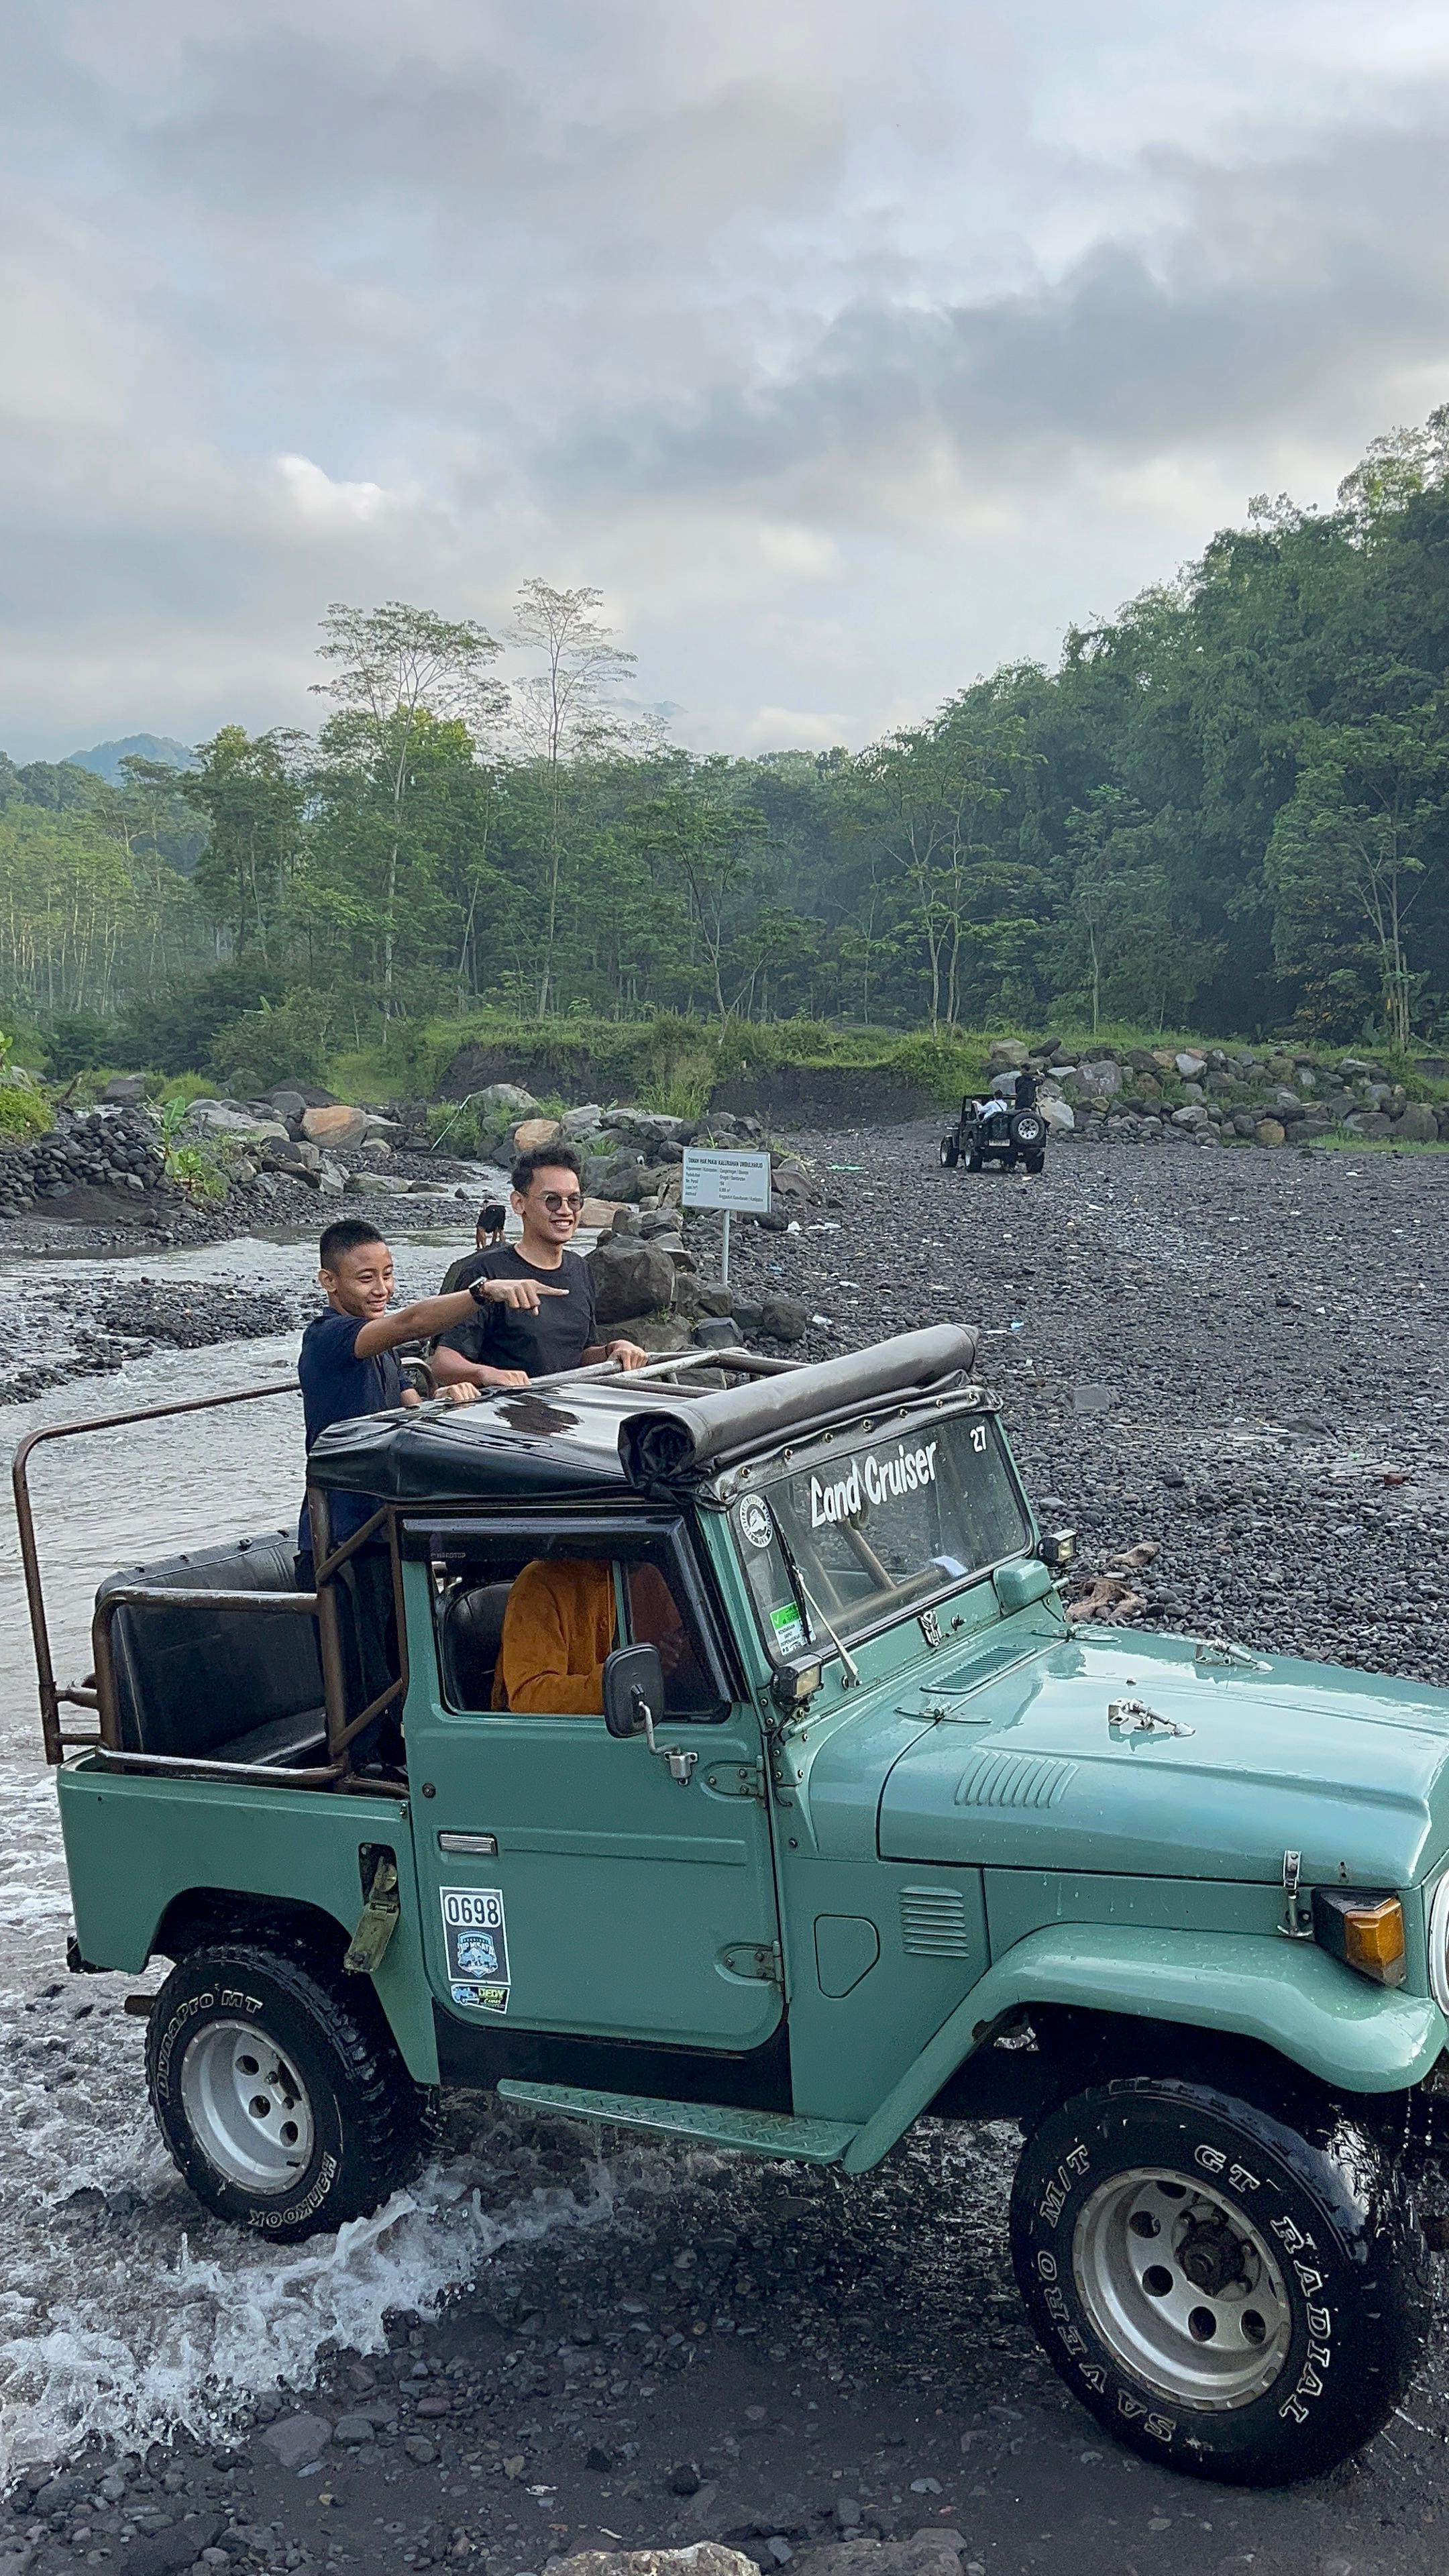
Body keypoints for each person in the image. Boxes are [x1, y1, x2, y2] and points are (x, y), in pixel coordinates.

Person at [431, 1144, 648, 1391]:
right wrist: (488, 1374)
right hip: (503, 1416)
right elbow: (442, 1363)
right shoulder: (486, 1274)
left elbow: (578, 1355)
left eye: (574, 1200)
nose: (565, 1211)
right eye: (552, 1200)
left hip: (568, 1413)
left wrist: (614, 1349)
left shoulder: (581, 1269)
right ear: (518, 1203)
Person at [494, 1556, 692, 1713]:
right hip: (570, 1742)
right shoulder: (539, 1584)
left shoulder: (646, 1571)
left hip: (650, 1719)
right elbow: (529, 1697)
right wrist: (617, 1683)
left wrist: (673, 1660)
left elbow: (689, 1662)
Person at [439, 1203, 507, 1298]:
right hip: (501, 1208)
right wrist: (494, 1243)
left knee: (481, 1228)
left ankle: (484, 1246)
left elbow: (480, 1230)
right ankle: (501, 1241)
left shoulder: (482, 1218)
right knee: (500, 1228)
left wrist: (481, 1247)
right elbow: (496, 1230)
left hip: (491, 1209)